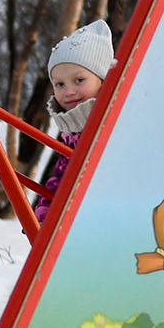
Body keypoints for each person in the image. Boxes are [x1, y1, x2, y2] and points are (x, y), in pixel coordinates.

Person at [31, 19, 114, 223]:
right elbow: (60, 178)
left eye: (79, 80)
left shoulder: (113, 121)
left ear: (102, 79)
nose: (68, 92)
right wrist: (43, 215)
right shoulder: (72, 132)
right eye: (59, 84)